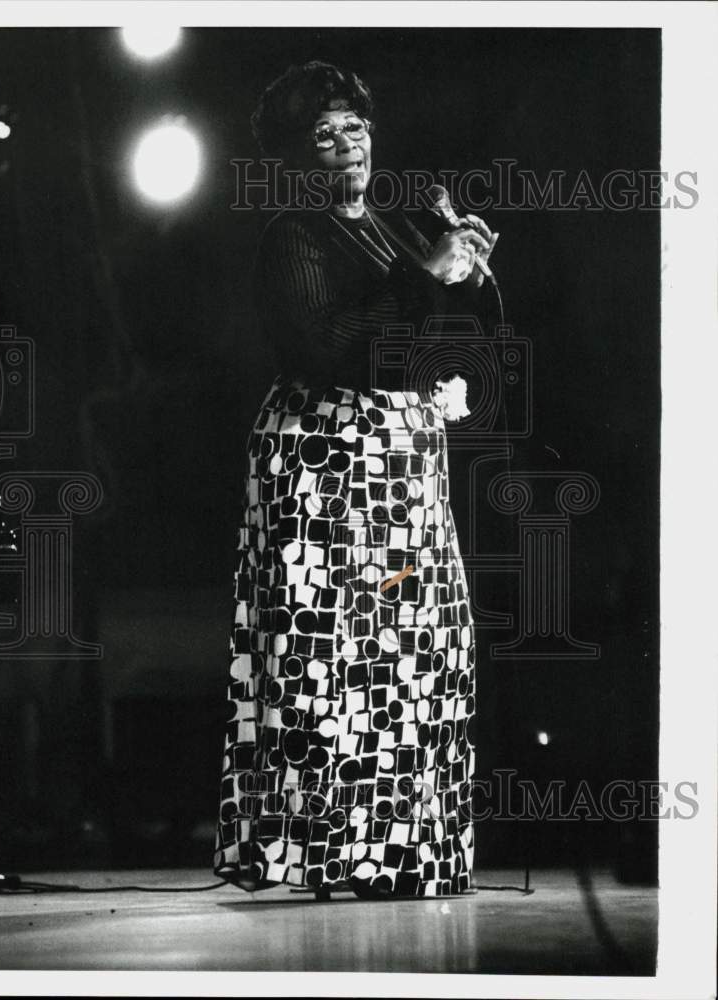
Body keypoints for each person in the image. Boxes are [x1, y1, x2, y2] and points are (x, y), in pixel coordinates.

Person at [213, 61, 498, 899]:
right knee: (332, 658)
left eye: (357, 127)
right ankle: (337, 851)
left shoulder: (389, 227)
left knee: (415, 648)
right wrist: (425, 276)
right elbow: (330, 350)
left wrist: (470, 279)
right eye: (325, 133)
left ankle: (409, 847)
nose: (347, 143)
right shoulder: (293, 236)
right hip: (323, 465)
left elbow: (433, 329)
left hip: (402, 465)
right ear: (295, 157)